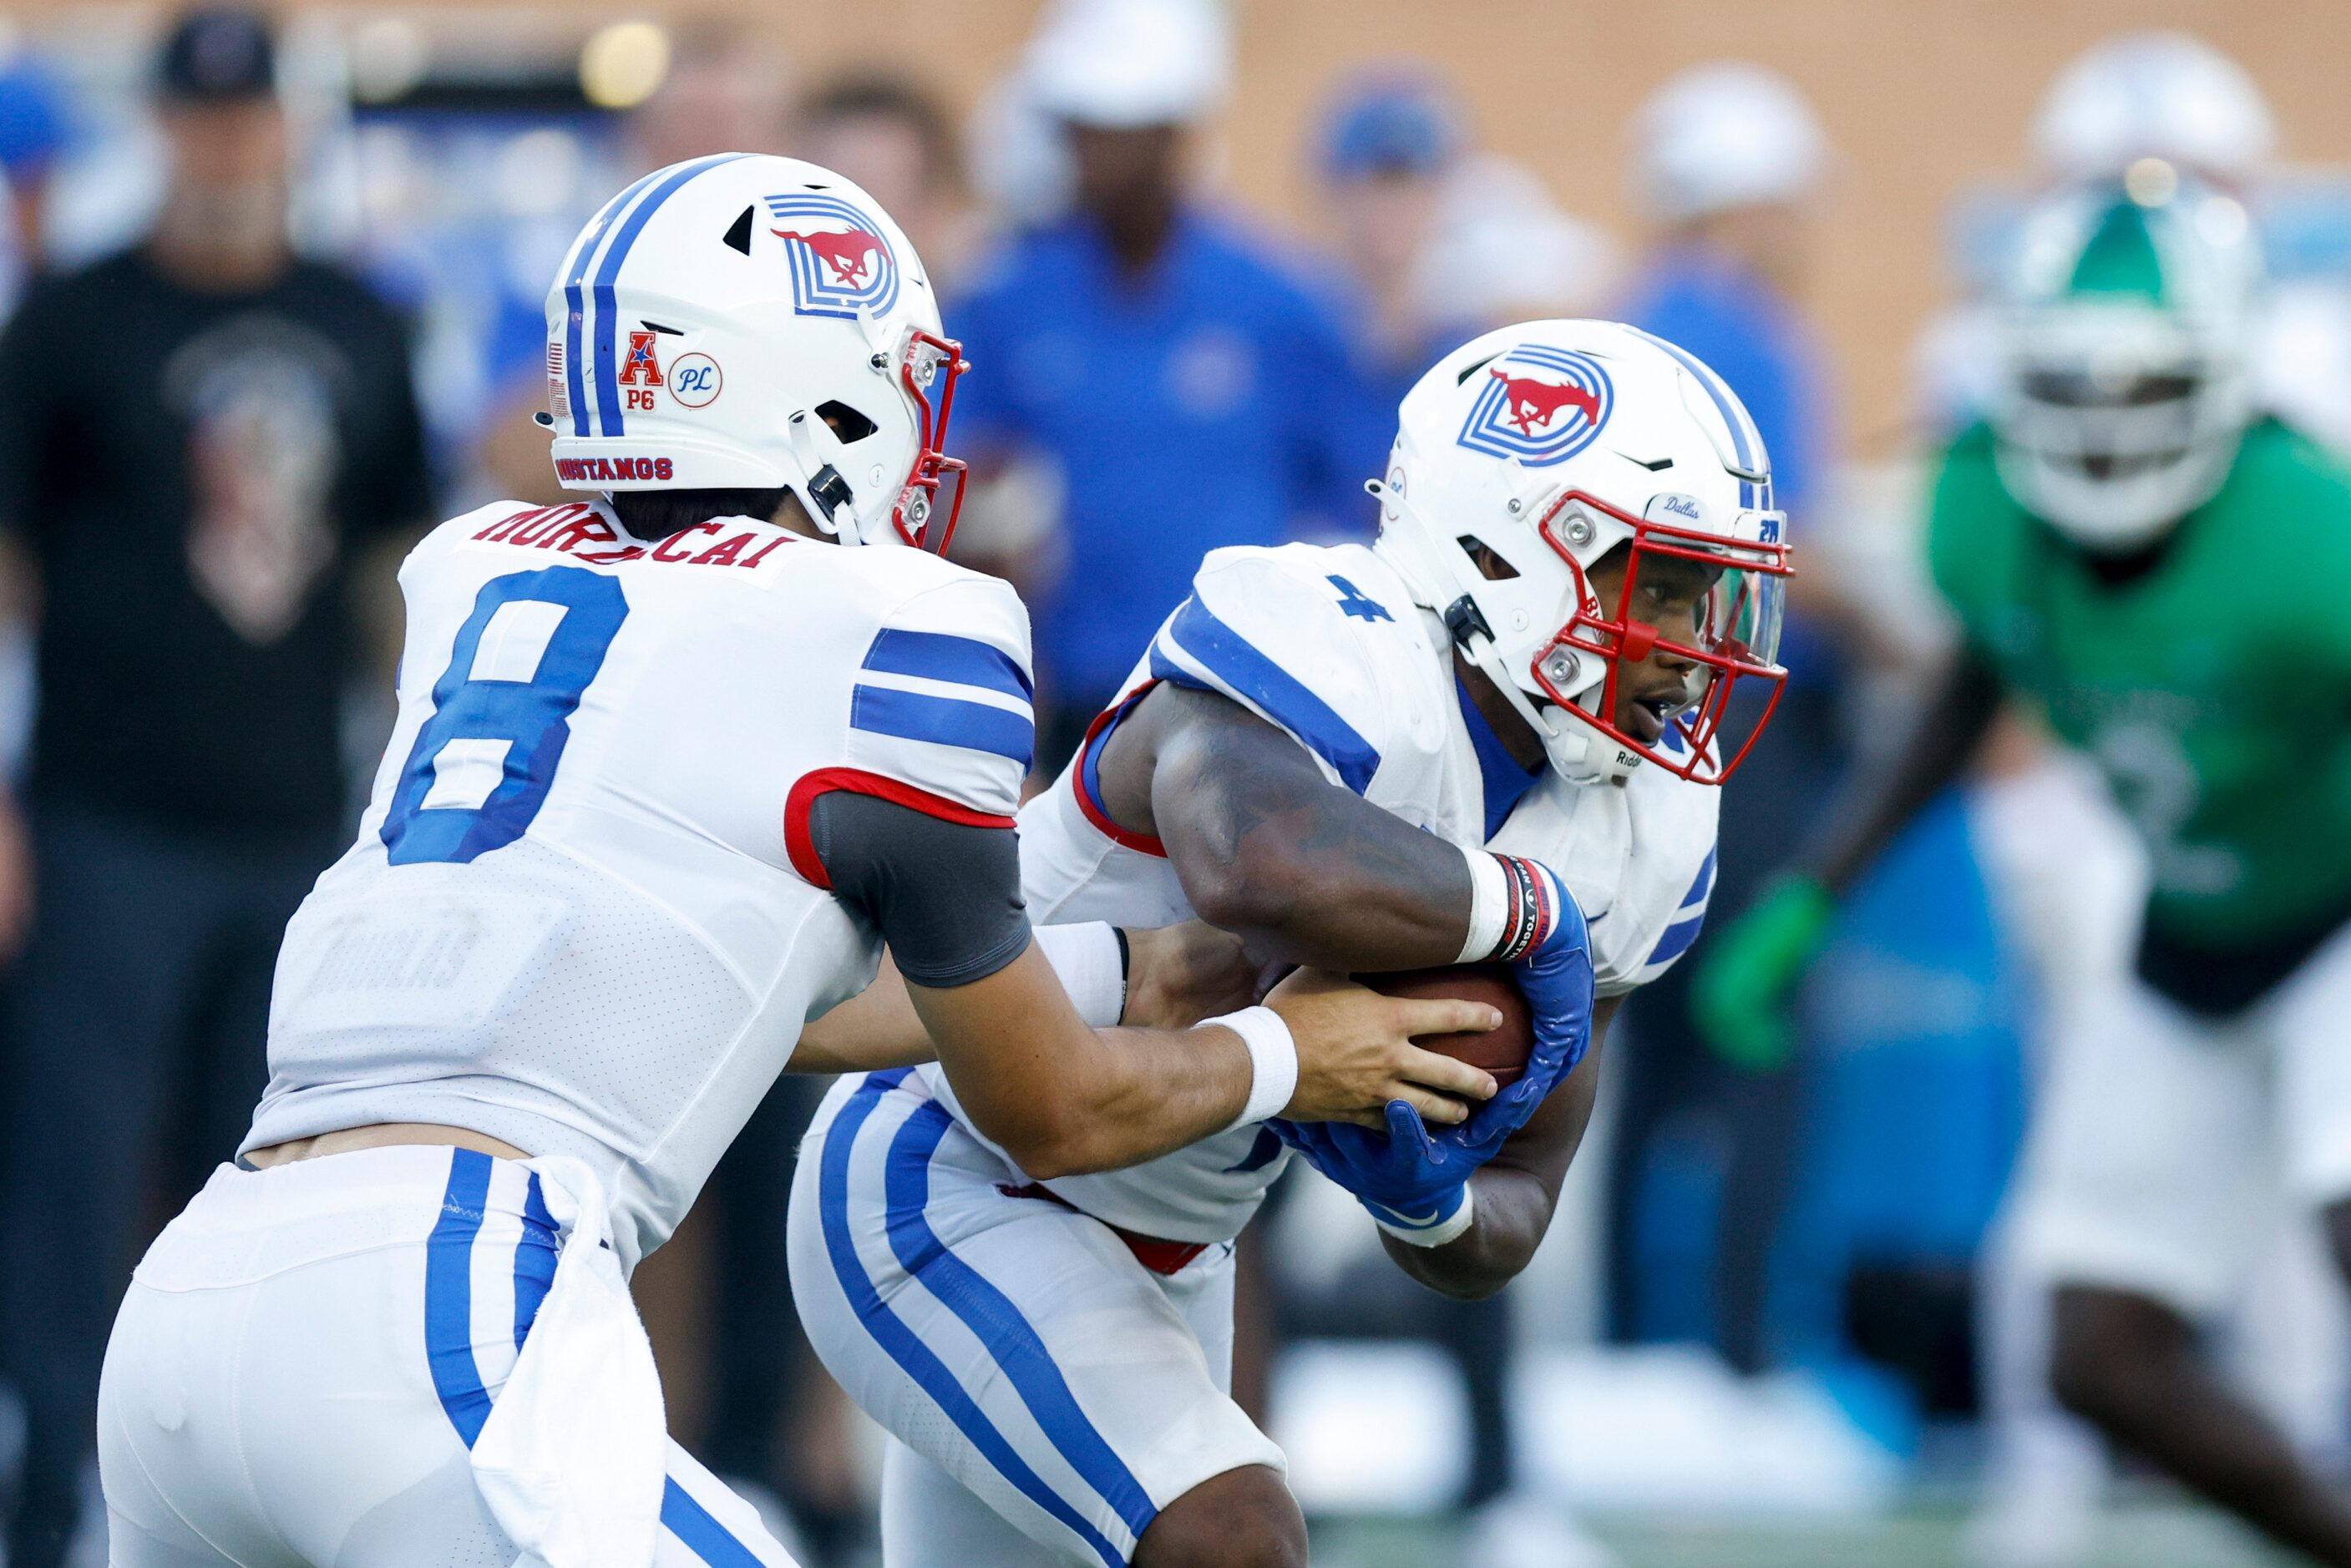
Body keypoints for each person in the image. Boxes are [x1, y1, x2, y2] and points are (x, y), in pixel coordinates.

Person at [88, 150, 1491, 1568]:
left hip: (188, 1313)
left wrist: (1125, 962)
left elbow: (743, 994)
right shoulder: (888, 624)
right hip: (445, 1294)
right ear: (806, 389)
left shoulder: (478, 571)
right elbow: (1050, 1111)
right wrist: (1291, 1057)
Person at [786, 318, 1795, 1568]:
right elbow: (1251, 857)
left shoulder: (1636, 818)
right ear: (1520, 549)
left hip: (1171, 1255)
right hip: (951, 1169)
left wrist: (1425, 1205)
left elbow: (1522, 1192)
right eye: (1669, 586)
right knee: (1234, 1536)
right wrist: (1514, 913)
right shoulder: (1336, 637)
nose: (1698, 644)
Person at [1698, 175, 2351, 1567]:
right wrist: (1819, 887)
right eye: (2073, 383)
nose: (2108, 422)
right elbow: (1973, 675)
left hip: (2335, 910)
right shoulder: (1982, 507)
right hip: (2185, 931)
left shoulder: (2308, 530)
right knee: (2097, 1349)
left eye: (2146, 384)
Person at [0, 12, 434, 1564]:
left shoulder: (361, 319)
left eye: (252, 119)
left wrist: (411, 800)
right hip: (105, 813)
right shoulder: (71, 318)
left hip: (289, 822)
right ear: (167, 130)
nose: (230, 146)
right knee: (73, 1181)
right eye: (205, 120)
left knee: (249, 1197)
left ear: (286, 130)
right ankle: (52, 1504)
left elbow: (394, 567)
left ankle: (219, 1518)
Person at [947, 0, 1371, 771]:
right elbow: (959, 477)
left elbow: (1357, 494)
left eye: (1113, 132)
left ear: (1173, 135)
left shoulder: (1279, 305)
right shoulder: (1011, 299)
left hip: (1240, 692)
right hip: (1067, 695)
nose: (1088, 154)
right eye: (1077, 129)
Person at [1602, 59, 1849, 1373]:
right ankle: (1741, 1351)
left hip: (1628, 732)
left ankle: (1626, 1345)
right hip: (1737, 742)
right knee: (1761, 1038)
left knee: (1637, 1052)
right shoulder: (1745, 332)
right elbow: (1787, 552)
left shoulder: (1630, 325)